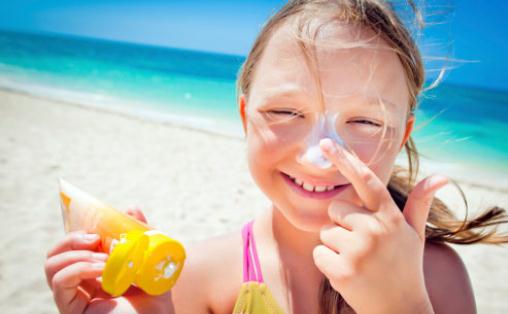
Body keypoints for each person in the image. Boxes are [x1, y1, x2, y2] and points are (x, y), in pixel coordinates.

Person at [44, 0, 508, 313]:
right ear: (246, 117)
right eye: (286, 111)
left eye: (366, 122)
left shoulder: (434, 276)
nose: (320, 157)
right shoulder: (202, 275)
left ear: (402, 134)